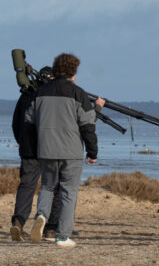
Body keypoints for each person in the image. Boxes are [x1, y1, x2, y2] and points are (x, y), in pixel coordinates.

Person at [10, 71, 102, 242]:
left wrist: (23, 143)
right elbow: (78, 122)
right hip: (51, 149)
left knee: (29, 187)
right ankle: (52, 229)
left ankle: (19, 222)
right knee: (58, 188)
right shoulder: (57, 95)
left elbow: (17, 123)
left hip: (30, 150)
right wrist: (96, 108)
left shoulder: (28, 96)